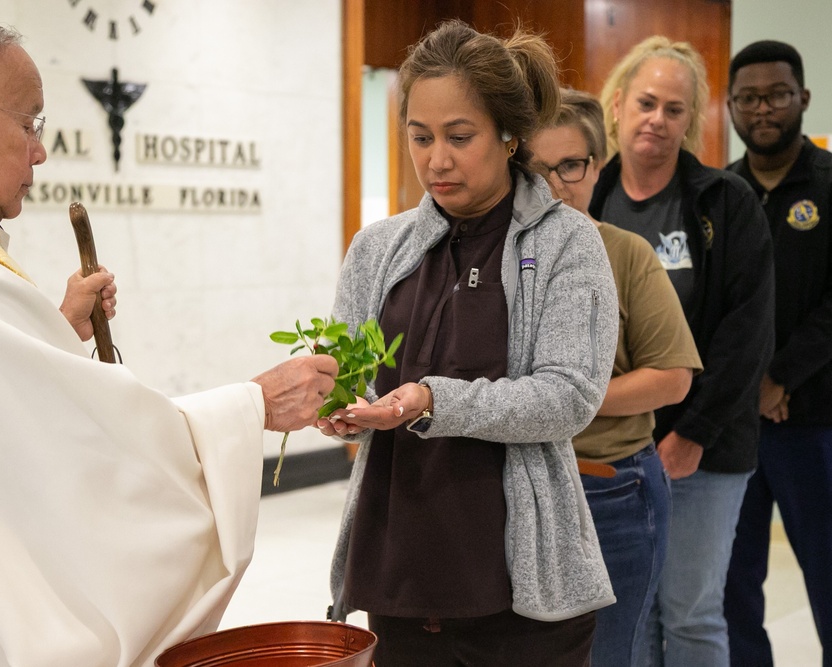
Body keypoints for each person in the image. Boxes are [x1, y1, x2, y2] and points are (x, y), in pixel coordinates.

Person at [0, 11, 338, 666]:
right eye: (29, 122)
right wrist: (253, 406)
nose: (40, 150)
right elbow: (101, 471)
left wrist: (48, 331)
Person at [318, 20, 618, 666]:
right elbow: (344, 372)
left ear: (510, 136)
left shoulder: (567, 242)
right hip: (398, 575)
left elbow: (568, 395)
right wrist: (333, 402)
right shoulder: (378, 249)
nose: (436, 160)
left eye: (459, 137)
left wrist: (430, 400)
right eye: (419, 137)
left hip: (519, 599)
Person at [589, 36, 775, 666]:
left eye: (674, 109)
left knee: (692, 614)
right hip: (614, 452)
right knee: (629, 615)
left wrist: (691, 433)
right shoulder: (588, 200)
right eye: (646, 102)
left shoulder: (726, 203)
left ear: (690, 121)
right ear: (616, 106)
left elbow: (747, 334)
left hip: (706, 450)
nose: (657, 120)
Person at [528, 88, 702, 667]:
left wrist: (560, 401)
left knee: (606, 655)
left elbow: (672, 377)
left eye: (570, 166)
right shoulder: (493, 257)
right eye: (534, 168)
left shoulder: (624, 254)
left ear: (595, 169)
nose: (553, 185)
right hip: (512, 485)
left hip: (610, 489)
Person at [723, 40, 832, 667]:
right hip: (736, 430)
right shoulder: (722, 194)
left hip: (817, 425)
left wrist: (781, 377)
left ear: (803, 100)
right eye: (749, 98)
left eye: (777, 95)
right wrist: (750, 389)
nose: (763, 109)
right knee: (733, 588)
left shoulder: (827, 185)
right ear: (732, 106)